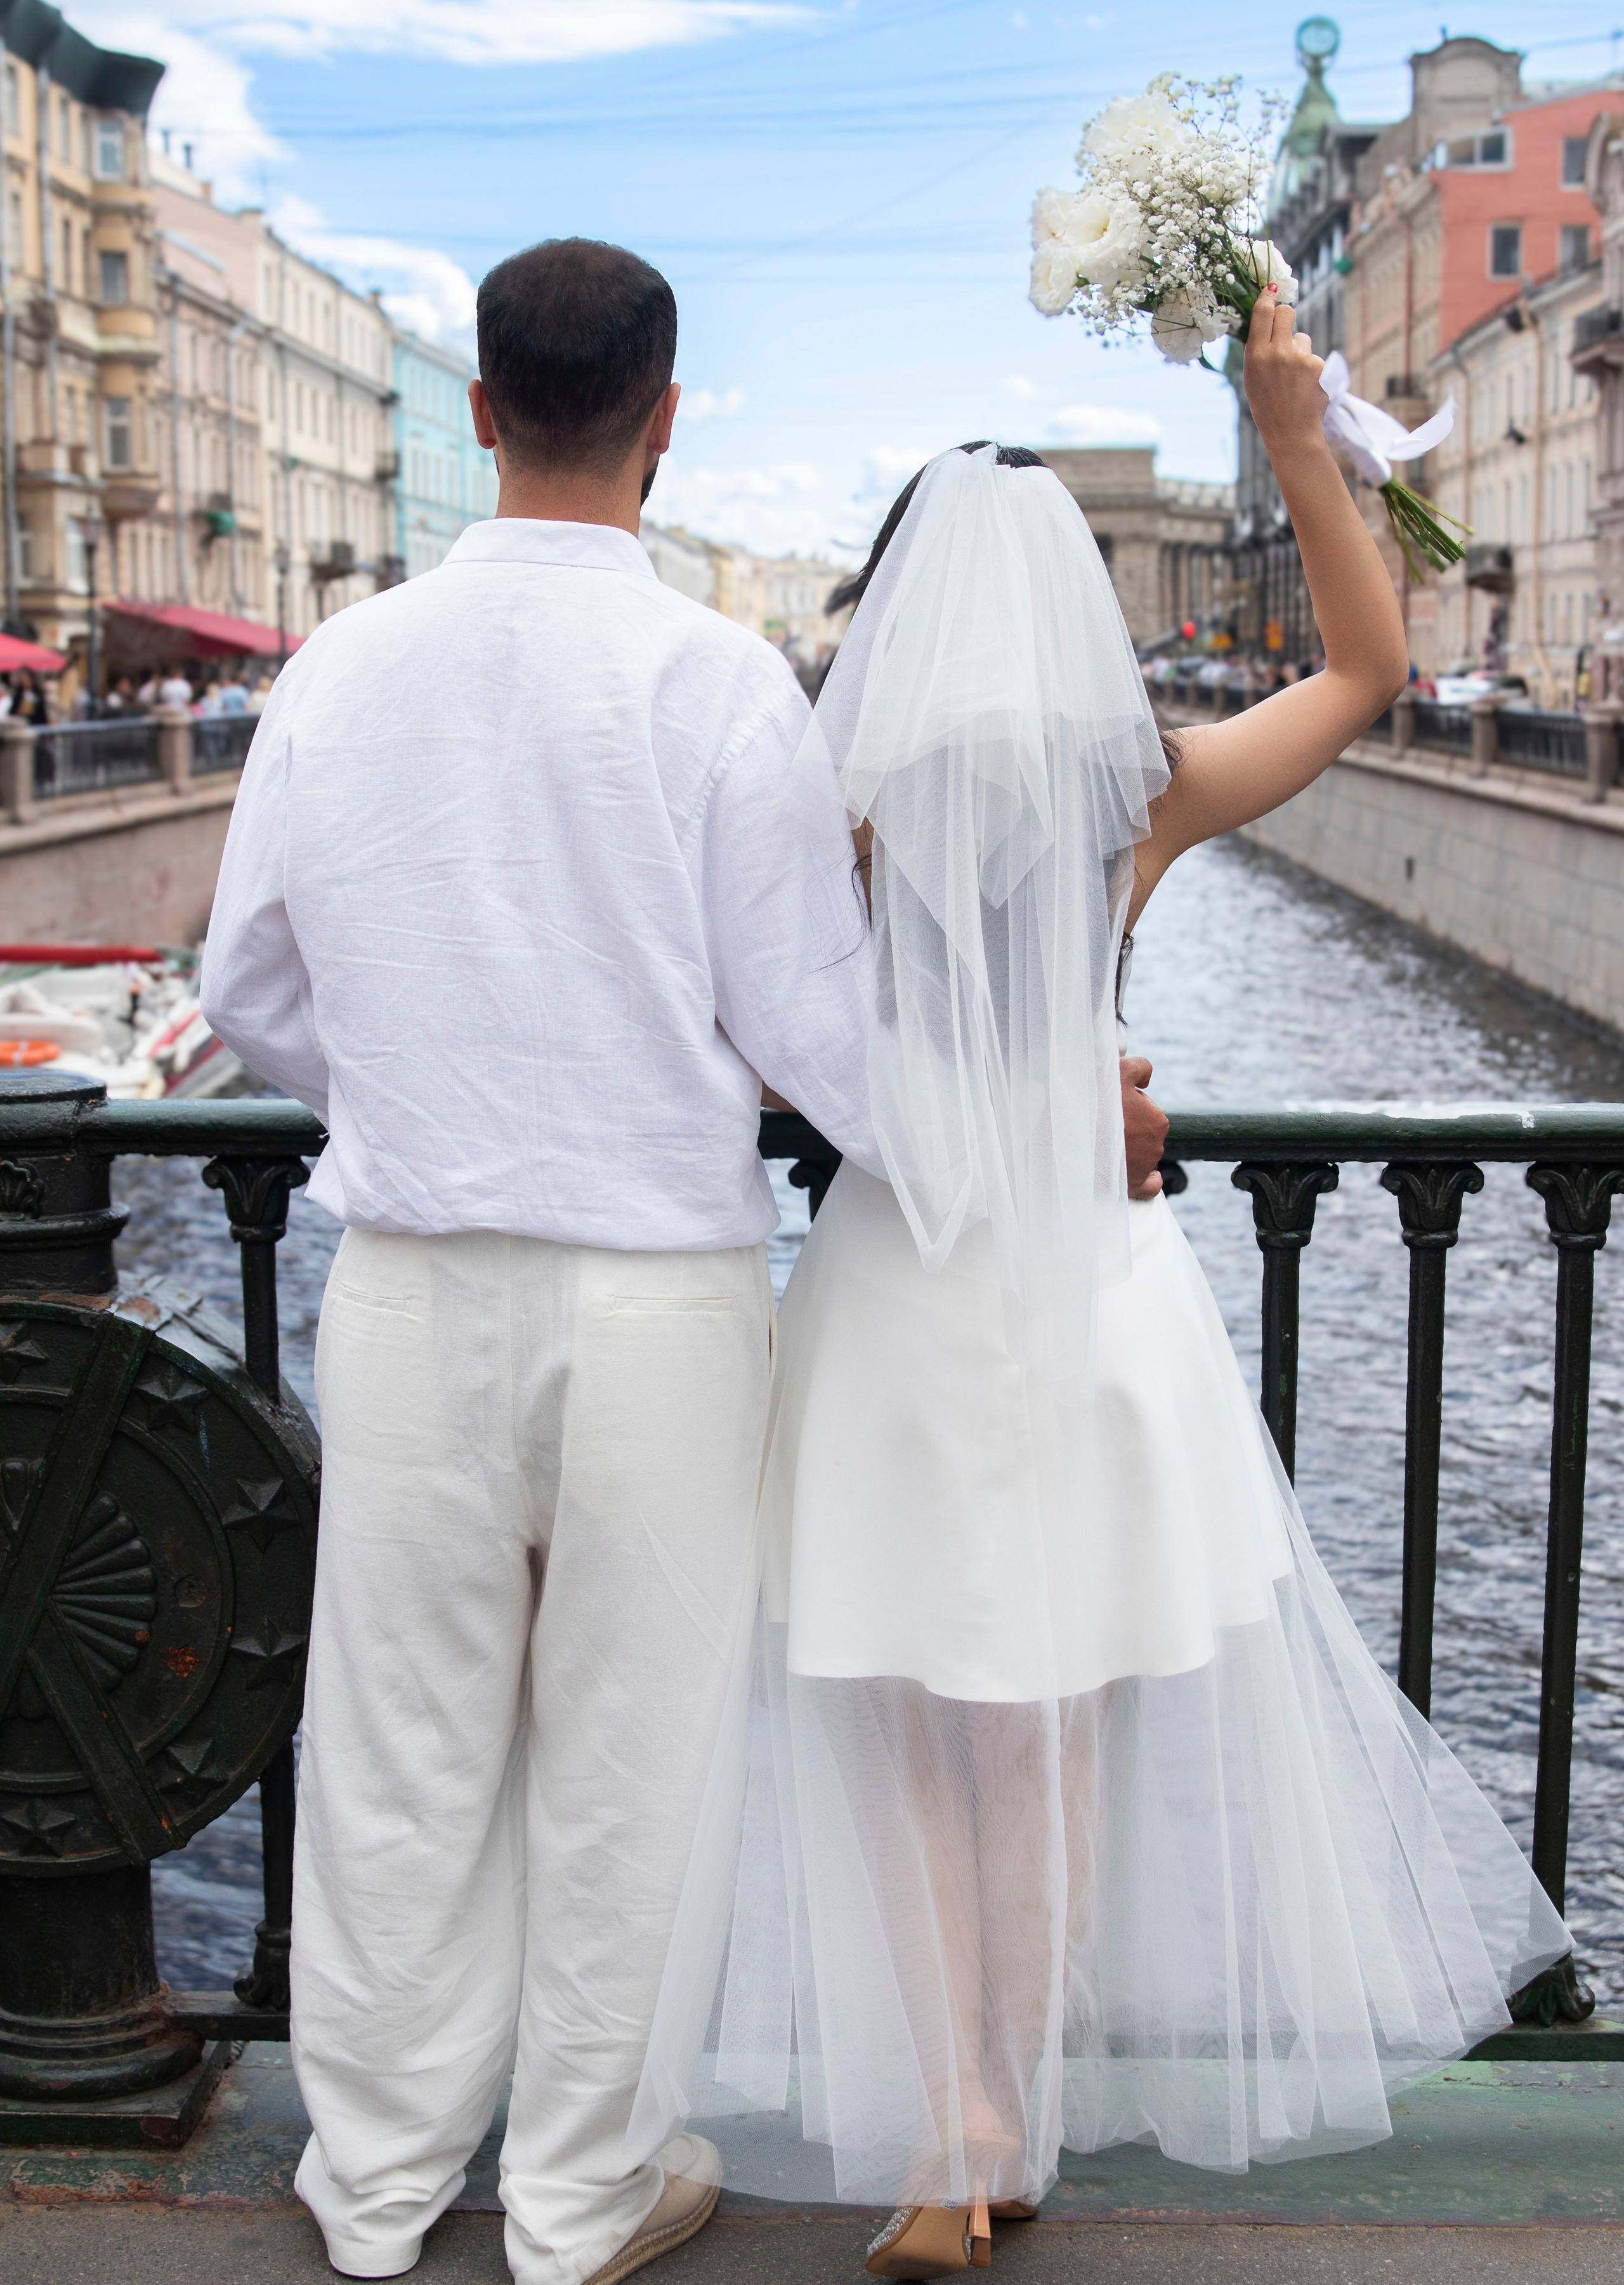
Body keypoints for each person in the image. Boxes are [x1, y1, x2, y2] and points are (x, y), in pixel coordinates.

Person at [199, 238, 1165, 2285]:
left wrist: (408, 1092)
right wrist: (1023, 1159)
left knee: (398, 1749)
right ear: (663, 419)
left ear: (475, 412)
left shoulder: (340, 668)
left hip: (412, 1277)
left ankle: (371, 2186)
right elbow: (817, 1039)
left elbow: (246, 984)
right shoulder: (720, 682)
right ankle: (583, 2198)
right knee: (633, 1768)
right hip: (657, 1295)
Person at [627, 291, 1573, 2277]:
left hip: (893, 1278)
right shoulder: (1137, 796)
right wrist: (1295, 430)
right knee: (1055, 1722)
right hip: (1088, 1288)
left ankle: (941, 2127)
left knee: (893, 1710)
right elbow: (1376, 663)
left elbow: (744, 1031)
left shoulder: (833, 804)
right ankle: (1013, 2105)